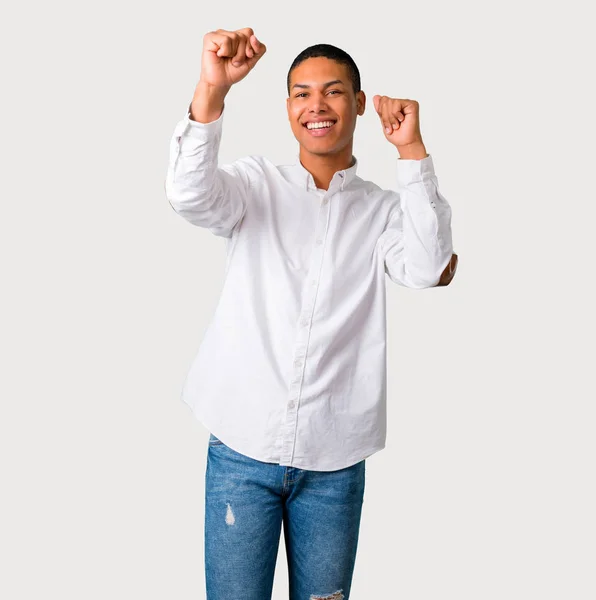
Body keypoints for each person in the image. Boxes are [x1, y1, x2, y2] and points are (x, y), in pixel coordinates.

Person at [165, 27, 458, 600]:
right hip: (240, 452)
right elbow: (188, 194)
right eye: (301, 93)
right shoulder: (254, 185)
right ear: (288, 107)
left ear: (358, 101)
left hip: (335, 460)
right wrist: (211, 89)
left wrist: (412, 153)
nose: (316, 106)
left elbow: (428, 265)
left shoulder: (383, 211)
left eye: (333, 92)